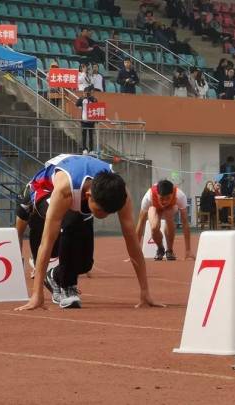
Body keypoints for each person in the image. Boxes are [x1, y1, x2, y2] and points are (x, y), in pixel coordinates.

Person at [14, 154, 163, 310]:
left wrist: (145, 291)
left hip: (83, 186)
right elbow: (47, 241)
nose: (103, 216)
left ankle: (54, 276)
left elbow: (132, 241)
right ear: (88, 196)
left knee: (84, 264)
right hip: (45, 188)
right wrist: (37, 295)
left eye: (108, 213)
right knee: (72, 220)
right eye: (99, 211)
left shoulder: (121, 194)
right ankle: (67, 286)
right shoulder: (65, 190)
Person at [135, 179, 194, 261]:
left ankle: (169, 250)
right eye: (162, 198)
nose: (165, 201)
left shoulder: (180, 196)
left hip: (171, 207)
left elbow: (185, 223)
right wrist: (134, 252)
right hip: (155, 207)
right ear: (157, 195)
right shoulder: (149, 197)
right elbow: (141, 223)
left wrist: (188, 250)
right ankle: (160, 248)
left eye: (168, 198)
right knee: (154, 227)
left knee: (168, 215)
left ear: (172, 194)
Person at [76, 86, 97, 154]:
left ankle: (91, 149)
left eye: (89, 93)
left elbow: (97, 107)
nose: (87, 94)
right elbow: (77, 104)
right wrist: (83, 97)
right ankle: (84, 148)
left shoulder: (93, 99)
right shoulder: (82, 99)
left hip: (91, 120)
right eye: (86, 93)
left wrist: (92, 99)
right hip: (84, 120)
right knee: (84, 135)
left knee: (91, 136)